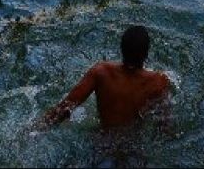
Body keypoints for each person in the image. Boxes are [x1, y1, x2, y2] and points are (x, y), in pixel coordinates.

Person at [43, 25, 171, 130]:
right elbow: (164, 125)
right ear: (146, 53)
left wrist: (34, 129)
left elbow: (65, 108)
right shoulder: (159, 81)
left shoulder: (101, 72)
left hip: (102, 142)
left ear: (121, 48)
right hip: (133, 147)